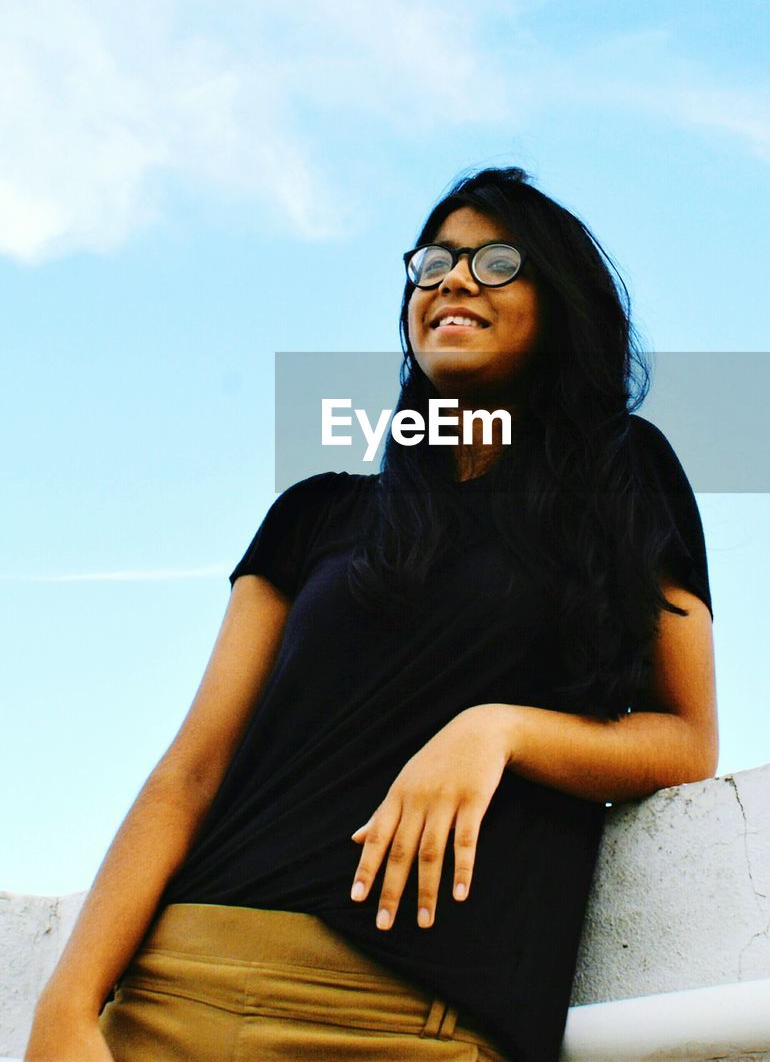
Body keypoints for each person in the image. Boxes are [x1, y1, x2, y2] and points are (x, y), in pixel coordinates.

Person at [25, 166, 718, 1062]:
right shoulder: (315, 513)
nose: (452, 280)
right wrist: (68, 1005)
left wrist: (496, 731)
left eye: (496, 261)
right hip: (179, 987)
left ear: (559, 300)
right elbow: (193, 769)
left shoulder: (622, 473)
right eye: (432, 263)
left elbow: (685, 738)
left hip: (413, 1026)